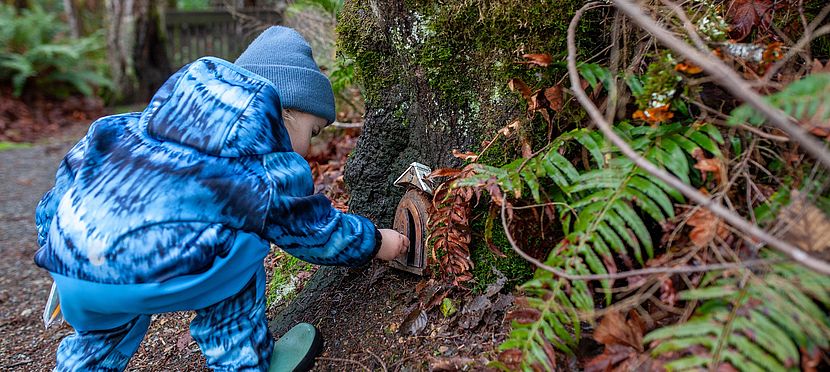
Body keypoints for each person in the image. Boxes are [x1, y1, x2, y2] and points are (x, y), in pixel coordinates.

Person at [33, 26, 409, 372]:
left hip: (73, 269)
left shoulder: (130, 128)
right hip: (163, 272)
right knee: (243, 253)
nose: (310, 147)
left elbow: (69, 181)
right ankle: (243, 362)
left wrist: (59, 246)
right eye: (313, 130)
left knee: (103, 335)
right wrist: (376, 242)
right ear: (284, 112)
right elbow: (312, 231)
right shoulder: (262, 164)